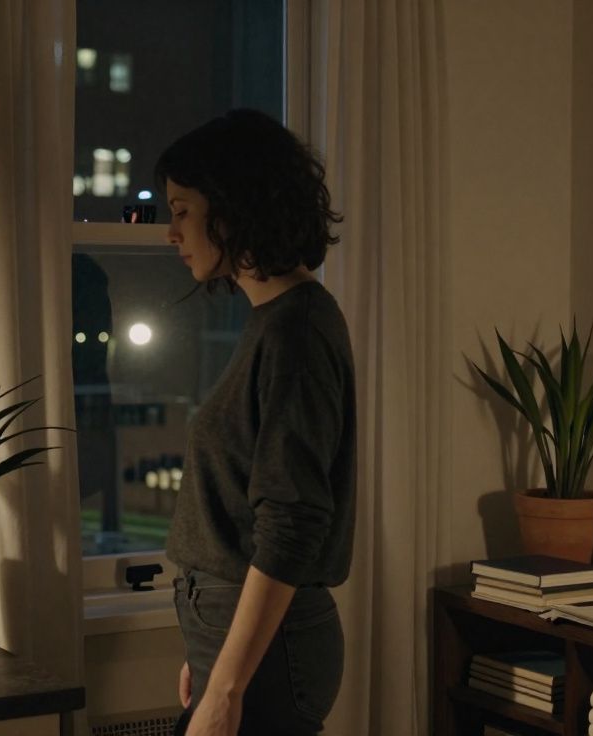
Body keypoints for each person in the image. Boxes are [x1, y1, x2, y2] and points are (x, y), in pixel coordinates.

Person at [156, 108, 356, 736]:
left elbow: (292, 523)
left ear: (232, 207)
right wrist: (208, 656)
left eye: (183, 211)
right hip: (236, 639)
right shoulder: (271, 323)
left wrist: (227, 684)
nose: (171, 233)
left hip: (270, 653)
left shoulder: (297, 330)